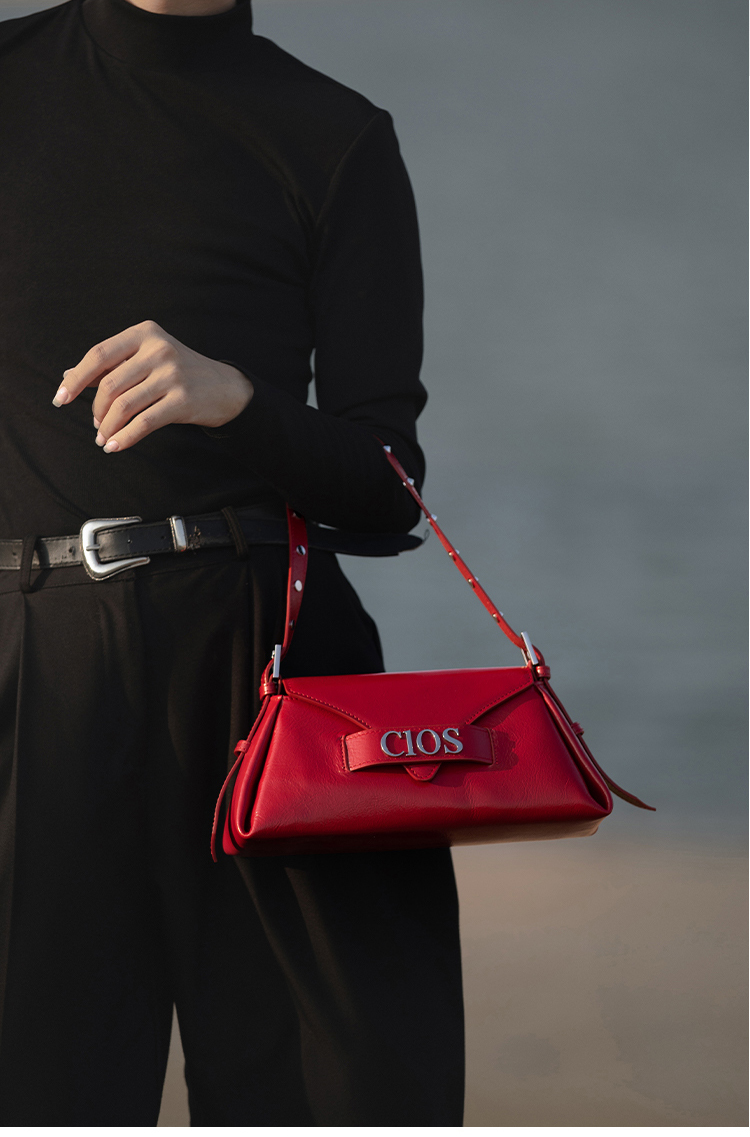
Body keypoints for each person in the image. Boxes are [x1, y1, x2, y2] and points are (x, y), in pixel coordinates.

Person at [0, 0, 465, 1125]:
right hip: (28, 671)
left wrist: (239, 403)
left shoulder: (335, 133)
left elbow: (388, 487)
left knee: (340, 1100)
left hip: (274, 676)